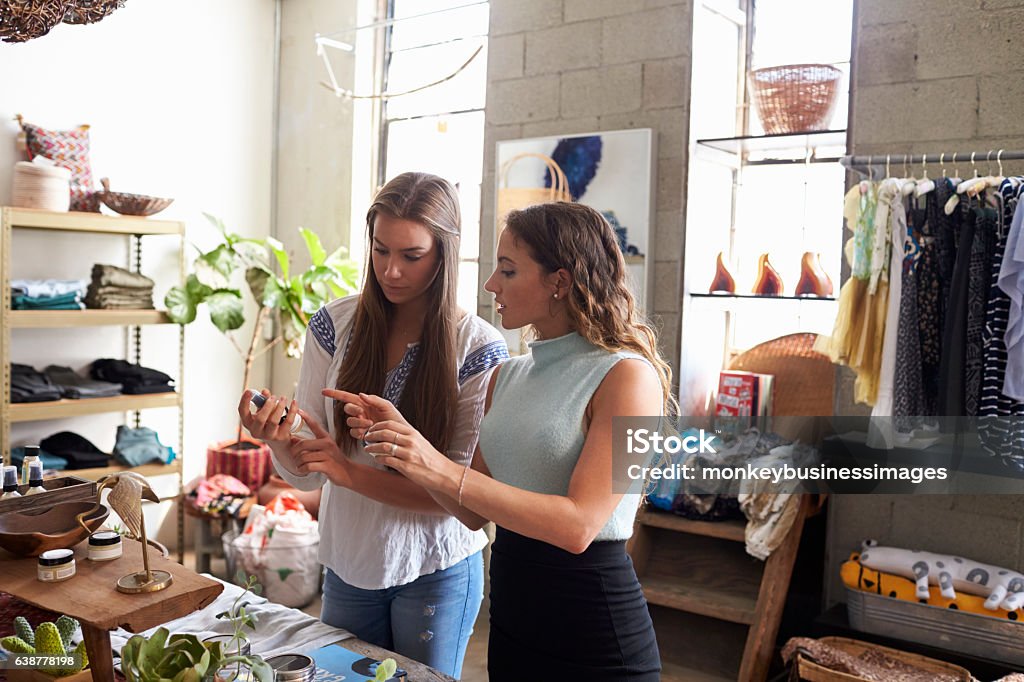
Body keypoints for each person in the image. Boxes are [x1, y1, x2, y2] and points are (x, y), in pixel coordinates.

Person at [341, 201, 672, 680]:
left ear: (559, 281)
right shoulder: (507, 377)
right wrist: (405, 446)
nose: (491, 284)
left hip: (595, 635)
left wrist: (435, 464)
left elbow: (579, 526)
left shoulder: (631, 379)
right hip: (514, 625)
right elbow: (472, 510)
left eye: (508, 270)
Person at [239, 171, 508, 677]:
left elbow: (460, 499)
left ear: (444, 254)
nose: (391, 271)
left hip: (436, 568)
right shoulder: (333, 325)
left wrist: (346, 472)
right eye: (380, 250)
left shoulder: (479, 348)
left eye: (412, 255)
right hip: (348, 562)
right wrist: (276, 440)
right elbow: (309, 471)